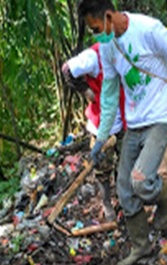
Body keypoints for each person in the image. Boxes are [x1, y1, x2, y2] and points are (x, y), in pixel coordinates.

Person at [79, 0, 167, 265]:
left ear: (109, 16)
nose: (97, 34)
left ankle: (165, 196)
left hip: (161, 117)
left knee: (141, 181)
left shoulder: (148, 29)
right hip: (135, 122)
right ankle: (142, 246)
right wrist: (101, 138)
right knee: (125, 189)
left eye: (96, 28)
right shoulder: (107, 46)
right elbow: (108, 93)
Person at [62, 44, 128, 222]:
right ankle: (106, 202)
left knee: (125, 163)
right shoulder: (93, 56)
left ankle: (123, 200)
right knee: (102, 167)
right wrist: (86, 91)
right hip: (100, 123)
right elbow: (68, 69)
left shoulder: (127, 50)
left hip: (123, 119)